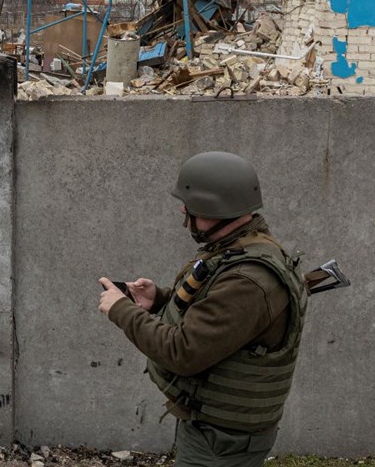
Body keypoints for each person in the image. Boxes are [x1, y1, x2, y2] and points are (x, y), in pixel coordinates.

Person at [97, 151, 308, 467]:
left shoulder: (247, 280)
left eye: (191, 205)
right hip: (216, 432)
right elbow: (217, 319)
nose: (184, 210)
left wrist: (122, 311)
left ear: (216, 209)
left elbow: (182, 351)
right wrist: (160, 300)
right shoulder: (244, 249)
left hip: (221, 443)